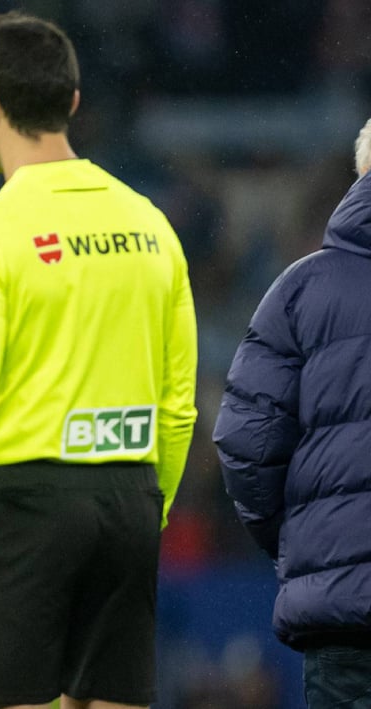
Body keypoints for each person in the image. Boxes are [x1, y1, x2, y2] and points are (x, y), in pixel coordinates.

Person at [0, 12, 197, 709]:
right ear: (72, 103)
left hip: (24, 508)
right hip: (130, 497)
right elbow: (180, 405)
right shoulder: (151, 223)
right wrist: (149, 508)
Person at [213, 122, 371, 707]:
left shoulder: (301, 289)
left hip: (342, 618)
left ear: (361, 177)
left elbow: (244, 443)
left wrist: (312, 538)